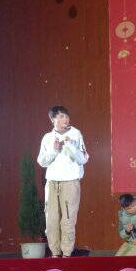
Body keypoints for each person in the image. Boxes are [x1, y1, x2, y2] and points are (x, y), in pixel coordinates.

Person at [37, 105, 89, 257]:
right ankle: (55, 254)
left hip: (70, 181)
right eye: (60, 116)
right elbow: (42, 161)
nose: (65, 119)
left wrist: (71, 146)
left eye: (66, 116)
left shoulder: (75, 134)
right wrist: (54, 150)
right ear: (52, 119)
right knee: (51, 220)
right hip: (52, 182)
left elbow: (83, 159)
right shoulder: (47, 137)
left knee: (68, 219)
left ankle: (66, 254)